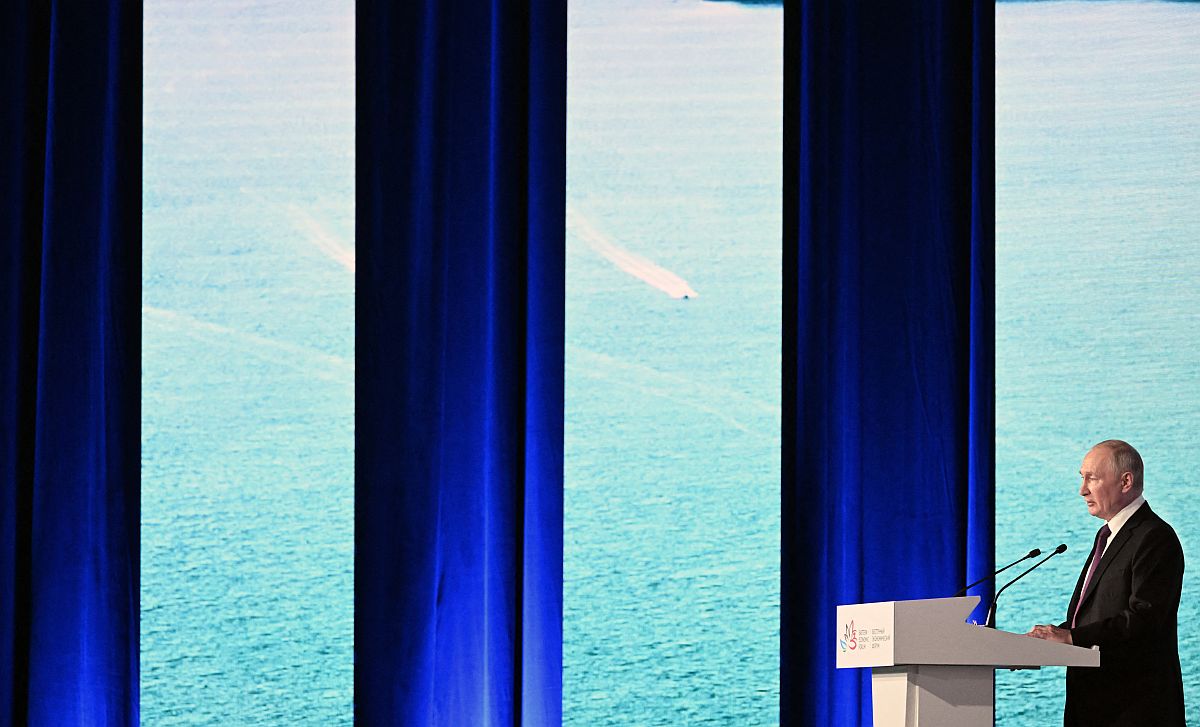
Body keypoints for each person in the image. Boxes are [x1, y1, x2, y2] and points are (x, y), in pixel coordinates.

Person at [1026, 440, 1185, 726]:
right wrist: (1043, 641)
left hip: (1134, 710)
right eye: (1082, 478)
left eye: (1092, 478)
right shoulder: (1107, 535)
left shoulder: (1155, 537)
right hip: (1091, 706)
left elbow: (1144, 620)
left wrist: (1072, 638)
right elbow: (1096, 617)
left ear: (1126, 482)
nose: (1082, 490)